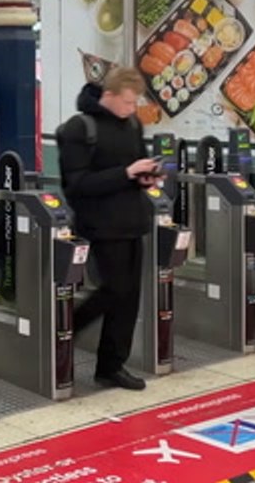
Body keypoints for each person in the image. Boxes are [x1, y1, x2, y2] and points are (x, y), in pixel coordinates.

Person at [58, 67, 161, 392]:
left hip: (133, 221)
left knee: (129, 297)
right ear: (109, 96)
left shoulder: (132, 124)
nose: (132, 109)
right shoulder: (79, 128)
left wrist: (146, 176)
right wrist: (126, 172)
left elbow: (135, 166)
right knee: (113, 290)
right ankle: (63, 330)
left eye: (135, 103)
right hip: (100, 224)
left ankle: (111, 365)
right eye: (128, 102)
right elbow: (76, 184)